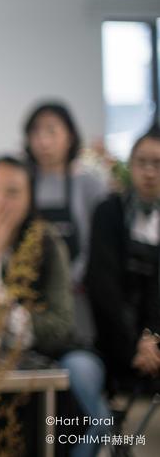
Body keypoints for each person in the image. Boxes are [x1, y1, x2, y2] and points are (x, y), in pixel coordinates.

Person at [0, 156, 109, 457]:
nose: (0, 203)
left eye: (13, 192)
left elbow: (60, 325)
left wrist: (5, 314)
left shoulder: (47, 243)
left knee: (90, 401)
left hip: (56, 354)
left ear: (29, 199)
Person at [23, 102, 109, 347]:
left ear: (70, 136)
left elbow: (97, 246)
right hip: (33, 297)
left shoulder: (90, 184)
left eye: (51, 131)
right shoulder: (23, 182)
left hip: (78, 296)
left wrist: (65, 282)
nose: (43, 141)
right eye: (36, 132)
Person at [87, 125, 160, 387]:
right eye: (142, 162)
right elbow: (102, 284)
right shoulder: (109, 212)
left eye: (157, 163)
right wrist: (135, 345)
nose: (149, 172)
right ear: (130, 165)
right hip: (115, 340)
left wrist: (153, 339)